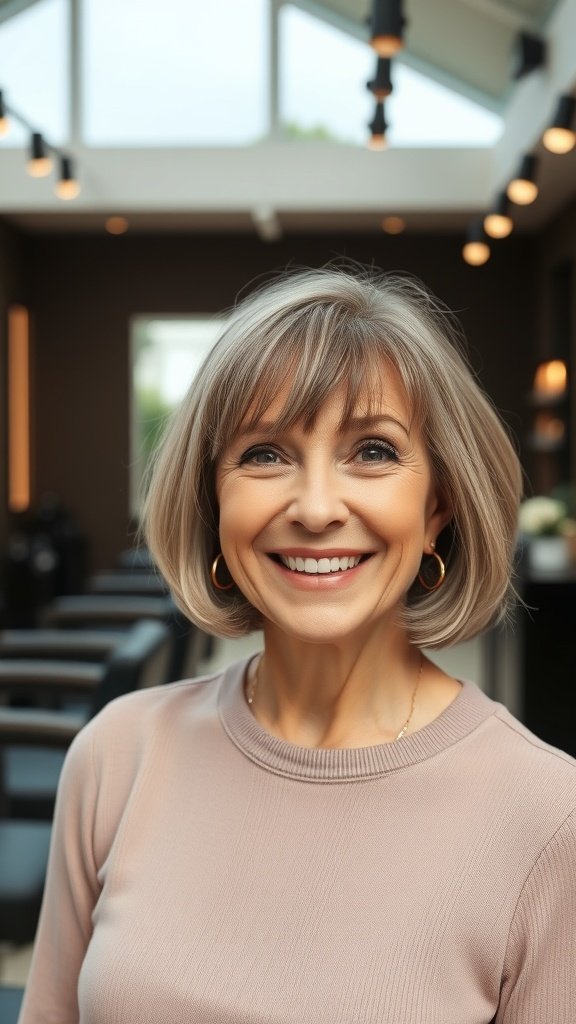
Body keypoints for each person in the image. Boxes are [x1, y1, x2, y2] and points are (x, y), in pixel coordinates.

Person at [19, 266, 576, 1024]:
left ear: (438, 503)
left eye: (373, 452)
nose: (315, 508)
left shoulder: (548, 817)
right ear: (215, 498)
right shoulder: (117, 753)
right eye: (265, 454)